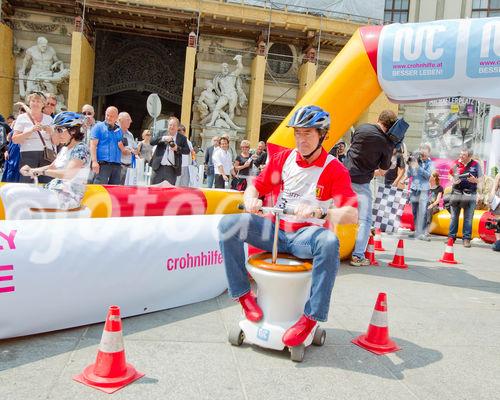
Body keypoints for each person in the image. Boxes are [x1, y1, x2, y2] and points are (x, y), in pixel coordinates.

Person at [218, 105, 357, 347]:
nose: (301, 140)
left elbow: (351, 214)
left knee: (329, 242)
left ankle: (310, 318)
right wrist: (250, 198)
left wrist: (320, 211)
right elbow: (256, 185)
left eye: (308, 134)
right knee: (228, 224)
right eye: (298, 134)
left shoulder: (335, 169)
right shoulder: (283, 159)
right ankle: (244, 297)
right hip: (276, 230)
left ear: (322, 135)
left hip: (305, 235)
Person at [0, 112, 90, 219]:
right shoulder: (66, 148)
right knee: (5, 189)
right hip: (54, 190)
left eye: (60, 130)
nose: (56, 134)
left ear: (73, 131)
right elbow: (51, 167)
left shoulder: (81, 149)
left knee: (14, 194)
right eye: (56, 130)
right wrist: (32, 170)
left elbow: (68, 174)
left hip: (66, 197)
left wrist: (42, 172)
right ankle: (18, 228)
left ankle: (17, 231)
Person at [343, 110, 396, 266]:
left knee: (337, 213)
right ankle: (358, 256)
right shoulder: (387, 143)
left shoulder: (362, 128)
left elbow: (353, 147)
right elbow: (384, 169)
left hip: (343, 178)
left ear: (378, 119)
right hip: (361, 183)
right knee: (365, 220)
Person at [11, 92, 56, 184]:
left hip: (46, 155)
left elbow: (56, 142)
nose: (35, 103)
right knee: (27, 182)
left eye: (38, 101)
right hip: (28, 154)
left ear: (43, 104)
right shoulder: (21, 118)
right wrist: (30, 131)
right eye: (33, 101)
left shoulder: (49, 119)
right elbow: (15, 139)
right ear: (29, 103)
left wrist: (51, 132)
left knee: (46, 182)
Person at [447, 147, 483, 247]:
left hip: (470, 194)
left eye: (463, 155)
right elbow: (449, 175)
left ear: (469, 156)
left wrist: (475, 180)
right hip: (457, 192)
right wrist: (453, 180)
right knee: (454, 216)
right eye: (460, 154)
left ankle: (466, 239)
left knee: (468, 218)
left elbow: (481, 179)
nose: (460, 156)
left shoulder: (476, 165)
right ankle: (451, 237)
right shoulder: (456, 163)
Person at [90, 106, 129, 185]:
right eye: (107, 115)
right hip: (103, 165)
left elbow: (121, 146)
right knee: (99, 190)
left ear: (117, 117)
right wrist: (94, 162)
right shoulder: (98, 127)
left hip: (117, 166)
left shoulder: (119, 130)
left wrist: (127, 151)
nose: (108, 118)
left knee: (114, 192)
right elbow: (93, 145)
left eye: (111, 116)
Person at [150, 116, 190, 185]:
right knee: (154, 190)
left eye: (174, 125)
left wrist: (177, 148)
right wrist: (163, 138)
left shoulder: (182, 138)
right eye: (170, 125)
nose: (171, 127)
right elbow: (152, 141)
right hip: (158, 167)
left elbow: (187, 151)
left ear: (178, 127)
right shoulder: (161, 133)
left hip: (172, 169)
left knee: (169, 192)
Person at [407, 143, 434, 241]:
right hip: (414, 188)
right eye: (421, 149)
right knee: (415, 211)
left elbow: (428, 176)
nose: (422, 152)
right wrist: (410, 166)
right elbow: (409, 174)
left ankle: (423, 232)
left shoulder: (430, 163)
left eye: (424, 150)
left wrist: (418, 167)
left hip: (423, 189)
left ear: (428, 152)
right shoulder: (416, 160)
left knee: (422, 211)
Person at [118, 112, 138, 185]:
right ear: (120, 120)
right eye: (128, 119)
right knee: (116, 188)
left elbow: (135, 149)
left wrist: (134, 151)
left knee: (126, 189)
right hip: (118, 166)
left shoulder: (130, 135)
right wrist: (128, 151)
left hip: (128, 166)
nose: (131, 121)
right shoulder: (115, 133)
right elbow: (122, 150)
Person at [424, 171, 444, 236]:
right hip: (426, 204)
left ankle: (427, 230)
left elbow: (438, 200)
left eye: (430, 176)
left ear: (434, 178)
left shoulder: (439, 188)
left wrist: (432, 205)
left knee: (429, 209)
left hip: (434, 206)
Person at [489, 173, 500, 251]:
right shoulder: (499, 175)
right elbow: (494, 189)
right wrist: (491, 200)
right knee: (497, 221)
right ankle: (498, 241)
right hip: (498, 201)